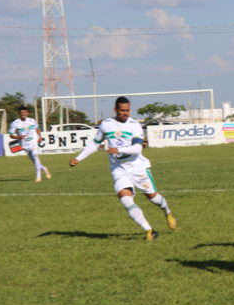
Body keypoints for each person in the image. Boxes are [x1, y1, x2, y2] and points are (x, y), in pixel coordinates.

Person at [69, 96, 176, 241]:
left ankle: (167, 212)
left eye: (127, 110)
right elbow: (94, 144)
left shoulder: (134, 125)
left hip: (138, 168)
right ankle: (149, 230)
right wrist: (78, 158)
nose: (125, 113)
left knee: (152, 197)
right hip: (119, 169)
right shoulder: (106, 124)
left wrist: (117, 150)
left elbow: (137, 149)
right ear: (115, 110)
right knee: (125, 198)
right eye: (122, 111)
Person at [9, 106, 51, 182]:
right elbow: (11, 135)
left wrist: (40, 136)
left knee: (35, 155)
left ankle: (38, 176)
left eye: (24, 112)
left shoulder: (32, 121)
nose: (23, 114)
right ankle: (44, 169)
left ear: (27, 113)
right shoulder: (15, 123)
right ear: (19, 113)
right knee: (35, 161)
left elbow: (37, 129)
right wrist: (18, 137)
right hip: (24, 144)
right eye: (21, 112)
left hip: (33, 142)